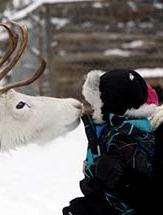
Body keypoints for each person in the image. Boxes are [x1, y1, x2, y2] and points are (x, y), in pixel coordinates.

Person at [63, 69, 159, 215]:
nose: (94, 109)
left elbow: (134, 200)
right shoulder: (112, 130)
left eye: (96, 104)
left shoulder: (124, 136)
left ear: (111, 105)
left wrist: (94, 206)